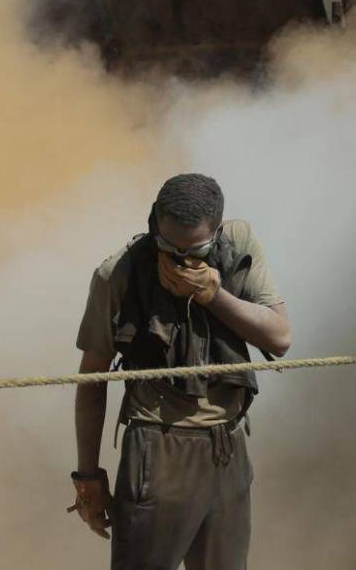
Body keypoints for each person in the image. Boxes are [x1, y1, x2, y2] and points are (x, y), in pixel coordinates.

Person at [70, 173, 291, 570]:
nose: (180, 259)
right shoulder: (119, 273)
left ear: (217, 231)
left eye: (197, 249)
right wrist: (87, 476)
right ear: (155, 222)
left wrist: (213, 296)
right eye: (168, 245)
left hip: (228, 446)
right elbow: (91, 379)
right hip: (158, 451)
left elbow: (279, 337)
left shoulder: (237, 244)